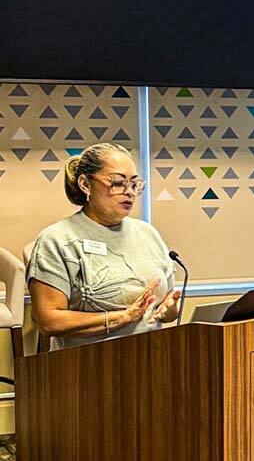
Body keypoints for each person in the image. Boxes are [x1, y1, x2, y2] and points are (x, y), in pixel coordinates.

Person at [26, 144, 181, 349]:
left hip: (151, 359)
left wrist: (169, 309)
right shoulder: (56, 240)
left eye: (135, 184)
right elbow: (48, 320)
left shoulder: (148, 233)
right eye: (118, 182)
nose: (129, 192)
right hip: (88, 365)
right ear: (85, 184)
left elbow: (168, 304)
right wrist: (120, 318)